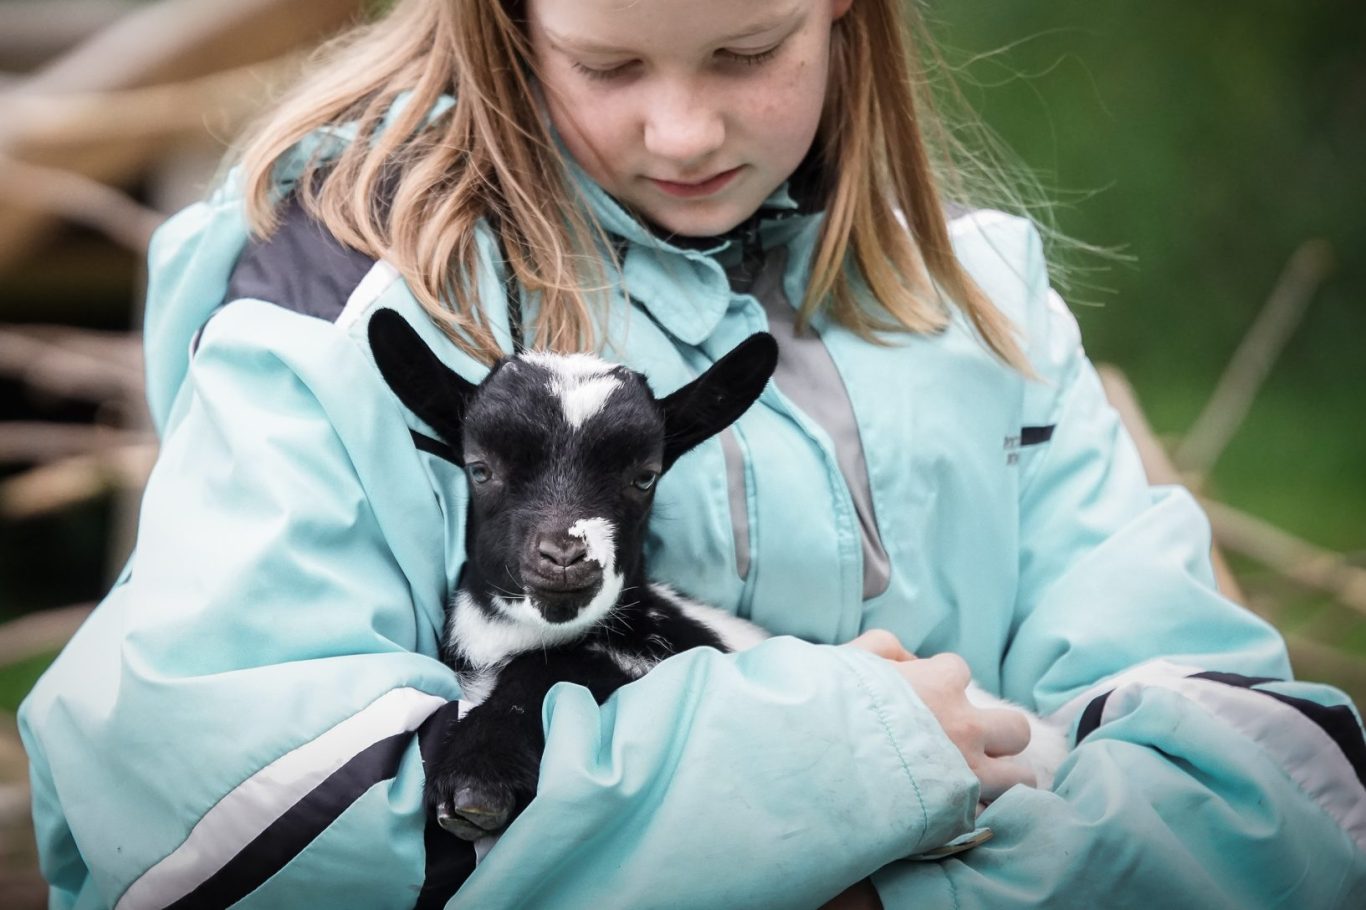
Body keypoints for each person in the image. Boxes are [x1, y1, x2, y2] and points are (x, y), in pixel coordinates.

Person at [19, 0, 1366, 907]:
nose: (683, 131)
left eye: (745, 50)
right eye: (607, 64)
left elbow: (1263, 783)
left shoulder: (971, 299)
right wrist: (853, 759)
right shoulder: (351, 286)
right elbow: (230, 813)